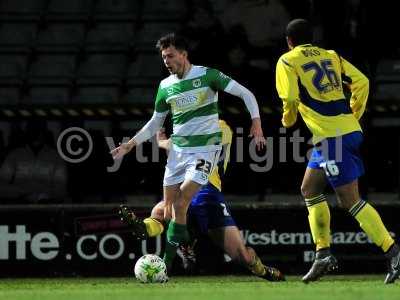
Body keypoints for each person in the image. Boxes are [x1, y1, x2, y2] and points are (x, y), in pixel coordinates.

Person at [111, 33, 266, 271]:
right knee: (167, 207)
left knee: (180, 204)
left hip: (204, 153)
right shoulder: (165, 86)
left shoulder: (207, 76)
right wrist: (130, 144)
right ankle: (154, 233)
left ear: (184, 54)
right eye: (163, 57)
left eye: (170, 55)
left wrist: (256, 123)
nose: (166, 61)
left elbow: (246, 93)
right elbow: (155, 122)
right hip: (178, 155)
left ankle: (165, 263)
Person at [275, 19, 400, 284]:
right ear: (312, 38)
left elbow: (290, 98)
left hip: (333, 138)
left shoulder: (287, 60)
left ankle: (394, 252)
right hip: (338, 135)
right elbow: (362, 81)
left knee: (349, 201)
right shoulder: (332, 56)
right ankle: (323, 253)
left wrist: (287, 119)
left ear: (289, 41)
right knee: (309, 189)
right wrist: (354, 113)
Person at [119, 120, 284, 281]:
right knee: (161, 210)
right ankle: (146, 228)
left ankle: (262, 270)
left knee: (244, 257)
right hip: (185, 188)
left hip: (207, 190)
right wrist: (167, 144)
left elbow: (196, 148)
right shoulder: (183, 127)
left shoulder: (221, 127)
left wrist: (164, 143)